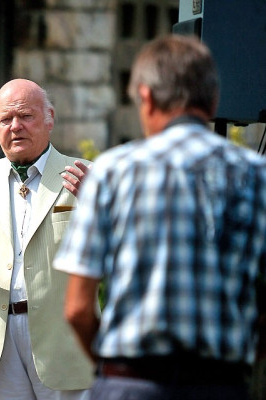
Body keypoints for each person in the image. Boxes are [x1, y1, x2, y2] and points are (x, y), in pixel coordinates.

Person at [53, 34, 266, 400]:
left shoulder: (111, 171)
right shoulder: (256, 173)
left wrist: (111, 371)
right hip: (221, 385)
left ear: (147, 97)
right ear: (213, 100)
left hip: (129, 383)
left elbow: (77, 309)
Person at [0, 78, 95, 400]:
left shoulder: (85, 176)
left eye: (25, 116)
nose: (15, 126)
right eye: (5, 119)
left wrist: (100, 209)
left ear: (49, 118)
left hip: (64, 340)